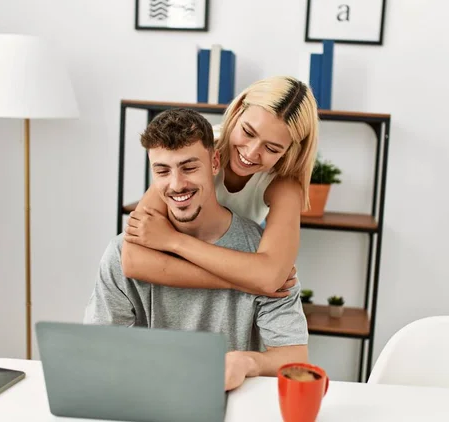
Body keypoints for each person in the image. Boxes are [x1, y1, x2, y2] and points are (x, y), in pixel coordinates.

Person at [84, 109, 308, 391]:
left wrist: (248, 362)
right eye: (162, 171)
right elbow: (99, 347)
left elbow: (295, 359)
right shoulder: (122, 251)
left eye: (189, 167)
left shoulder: (263, 258)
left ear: (215, 162)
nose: (177, 185)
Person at [122, 75, 319, 297]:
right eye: (247, 132)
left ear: (290, 150)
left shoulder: (284, 184)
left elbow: (270, 277)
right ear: (237, 112)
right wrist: (243, 282)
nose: (251, 153)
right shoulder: (198, 149)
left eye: (272, 148)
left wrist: (173, 241)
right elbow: (131, 260)